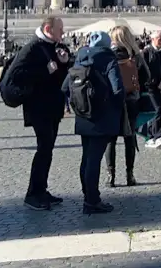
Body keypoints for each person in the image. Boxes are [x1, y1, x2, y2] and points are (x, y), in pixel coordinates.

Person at [0, 16, 72, 210]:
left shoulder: (52, 46)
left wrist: (63, 62)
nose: (63, 33)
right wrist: (46, 70)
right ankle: (32, 194)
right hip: (39, 108)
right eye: (60, 29)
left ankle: (41, 189)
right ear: (48, 28)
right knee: (43, 149)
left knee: (47, 150)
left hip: (51, 107)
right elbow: (18, 75)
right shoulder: (31, 48)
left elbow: (58, 75)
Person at [63, 31, 125, 213]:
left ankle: (87, 195)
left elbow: (65, 86)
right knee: (94, 160)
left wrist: (76, 105)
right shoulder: (108, 58)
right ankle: (92, 200)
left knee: (86, 158)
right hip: (102, 116)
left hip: (83, 114)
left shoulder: (80, 57)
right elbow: (117, 89)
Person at [106, 25, 149, 188]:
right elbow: (147, 76)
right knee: (129, 138)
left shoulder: (108, 55)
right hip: (132, 100)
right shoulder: (136, 55)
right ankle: (129, 175)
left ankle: (111, 175)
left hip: (113, 101)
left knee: (110, 139)